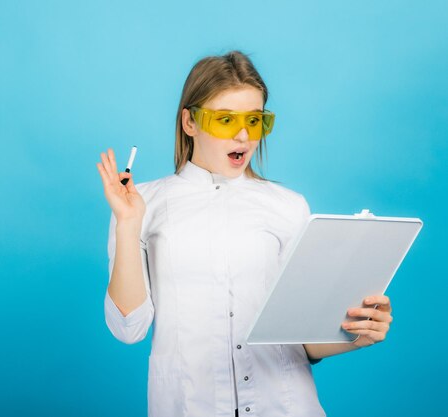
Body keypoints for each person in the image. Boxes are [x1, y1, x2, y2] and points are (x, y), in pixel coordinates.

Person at [96, 51, 393, 417]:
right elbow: (128, 328)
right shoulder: (144, 204)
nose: (243, 135)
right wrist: (128, 223)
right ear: (190, 122)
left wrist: (357, 334)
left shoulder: (289, 206)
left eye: (254, 121)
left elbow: (301, 341)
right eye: (225, 120)